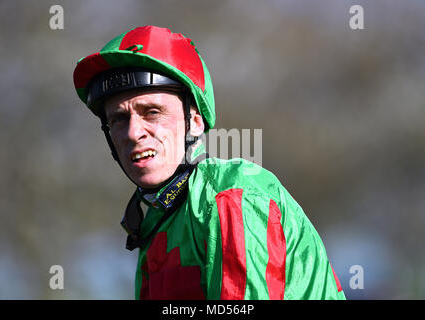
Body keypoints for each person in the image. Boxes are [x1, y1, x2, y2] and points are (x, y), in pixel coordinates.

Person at [73, 25, 346, 300]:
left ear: (194, 121)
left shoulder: (232, 195)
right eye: (119, 119)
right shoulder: (154, 224)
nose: (133, 133)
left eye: (152, 112)